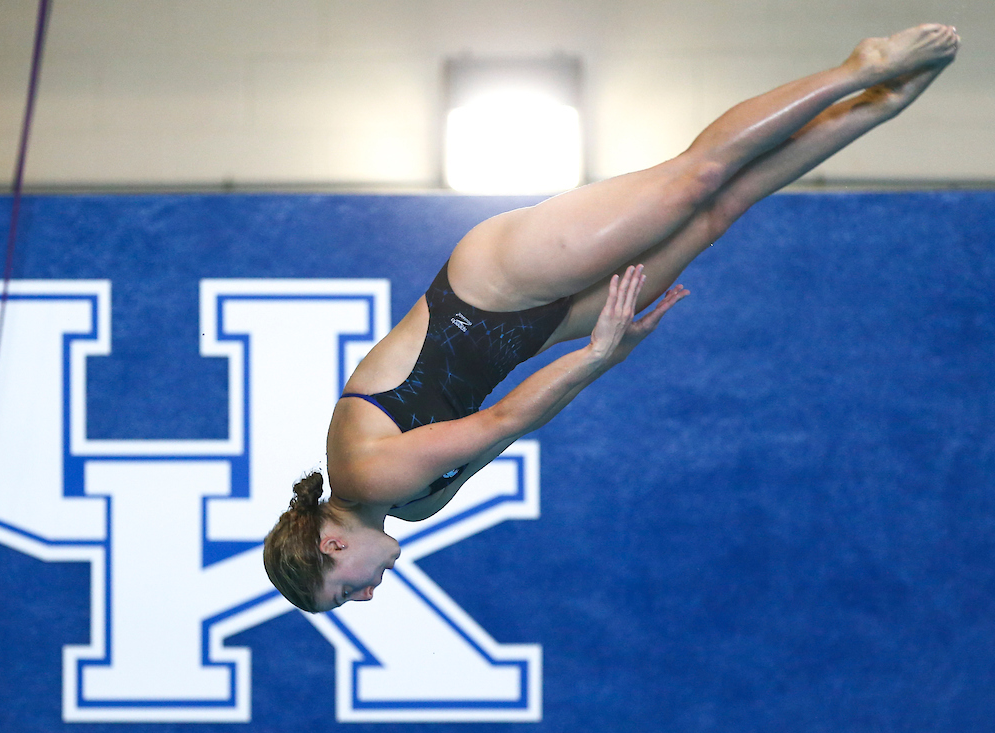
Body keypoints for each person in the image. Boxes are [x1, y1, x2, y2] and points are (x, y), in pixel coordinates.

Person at [263, 24, 960, 613]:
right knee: (721, 211)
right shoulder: (416, 508)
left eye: (345, 591)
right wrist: (603, 354)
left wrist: (596, 356)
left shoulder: (368, 478)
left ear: (331, 546)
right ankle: (880, 106)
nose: (367, 596)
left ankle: (858, 70)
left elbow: (499, 420)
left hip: (491, 285)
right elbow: (518, 420)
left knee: (697, 179)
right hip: (534, 331)